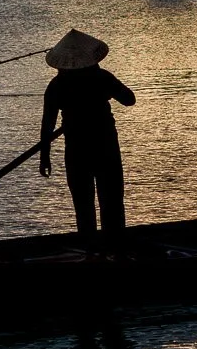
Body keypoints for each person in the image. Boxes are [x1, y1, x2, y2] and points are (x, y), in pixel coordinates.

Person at [39, 29, 135, 239]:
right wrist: (106, 91)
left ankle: (90, 250)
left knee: (83, 206)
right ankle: (115, 248)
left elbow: (47, 124)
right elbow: (129, 99)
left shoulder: (57, 85)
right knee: (112, 202)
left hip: (77, 149)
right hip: (105, 147)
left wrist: (44, 157)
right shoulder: (102, 77)